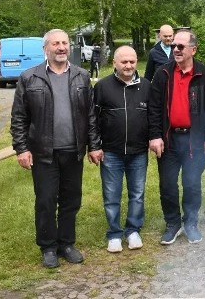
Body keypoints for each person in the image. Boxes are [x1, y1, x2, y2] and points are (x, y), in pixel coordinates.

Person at [10, 29, 103, 268]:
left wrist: (94, 145)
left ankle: (67, 243)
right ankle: (48, 247)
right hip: (43, 152)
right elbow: (19, 117)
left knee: (71, 199)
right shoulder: (30, 77)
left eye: (64, 43)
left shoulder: (81, 76)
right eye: (55, 44)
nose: (61, 47)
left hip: (73, 151)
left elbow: (90, 115)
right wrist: (22, 149)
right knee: (46, 200)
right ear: (45, 49)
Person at [148, 29, 205, 245]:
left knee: (192, 184)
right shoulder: (162, 73)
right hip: (168, 140)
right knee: (167, 185)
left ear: (193, 49)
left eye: (180, 46)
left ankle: (191, 223)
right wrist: (155, 135)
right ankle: (173, 223)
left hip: (194, 140)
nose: (176, 50)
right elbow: (153, 108)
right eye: (173, 46)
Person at [93, 46, 151, 253]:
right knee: (111, 195)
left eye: (132, 62)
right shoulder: (102, 87)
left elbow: (153, 116)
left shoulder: (146, 86)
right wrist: (94, 146)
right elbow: (93, 119)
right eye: (124, 62)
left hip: (138, 151)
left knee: (137, 193)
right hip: (111, 151)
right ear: (114, 63)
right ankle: (115, 233)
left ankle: (133, 230)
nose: (128, 65)